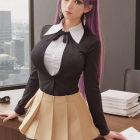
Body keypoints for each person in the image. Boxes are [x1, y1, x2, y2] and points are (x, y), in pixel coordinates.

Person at [0, 0, 128, 140]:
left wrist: (103, 129)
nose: (69, 5)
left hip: (71, 111)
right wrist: (19, 109)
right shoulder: (46, 31)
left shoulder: (91, 42)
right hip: (40, 108)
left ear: (88, 8)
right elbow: (35, 74)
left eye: (78, 1)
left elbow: (91, 87)